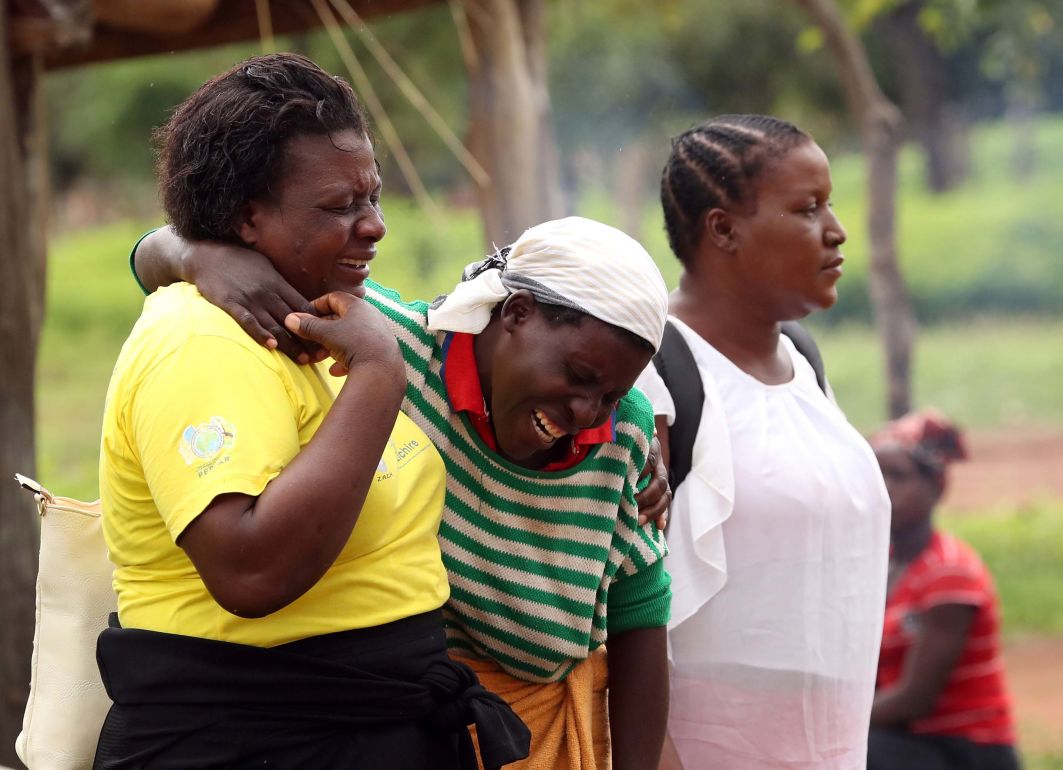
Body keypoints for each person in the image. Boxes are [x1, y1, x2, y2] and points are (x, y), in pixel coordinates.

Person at [96, 53, 530, 768]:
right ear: (246, 218)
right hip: (258, 740)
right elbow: (251, 573)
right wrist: (378, 374)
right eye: (340, 206)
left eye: (373, 198)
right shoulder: (199, 340)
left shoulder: (325, 318)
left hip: (371, 727)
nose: (376, 227)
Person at [133, 199, 673, 769]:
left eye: (610, 394)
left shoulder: (621, 430)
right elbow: (157, 259)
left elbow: (640, 606)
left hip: (541, 736)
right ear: (516, 312)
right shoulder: (387, 352)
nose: (589, 410)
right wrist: (195, 255)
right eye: (579, 377)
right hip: (392, 722)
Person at [632, 114, 892, 770]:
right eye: (808, 209)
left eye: (829, 204)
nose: (836, 231)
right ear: (723, 229)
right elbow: (617, 613)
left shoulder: (803, 359)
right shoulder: (656, 372)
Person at [869, 410, 1020, 770]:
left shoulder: (950, 572)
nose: (885, 488)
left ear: (937, 487)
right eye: (877, 475)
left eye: (898, 476)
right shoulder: (879, 563)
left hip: (965, 750)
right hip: (908, 743)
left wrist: (826, 721)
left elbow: (915, 699)